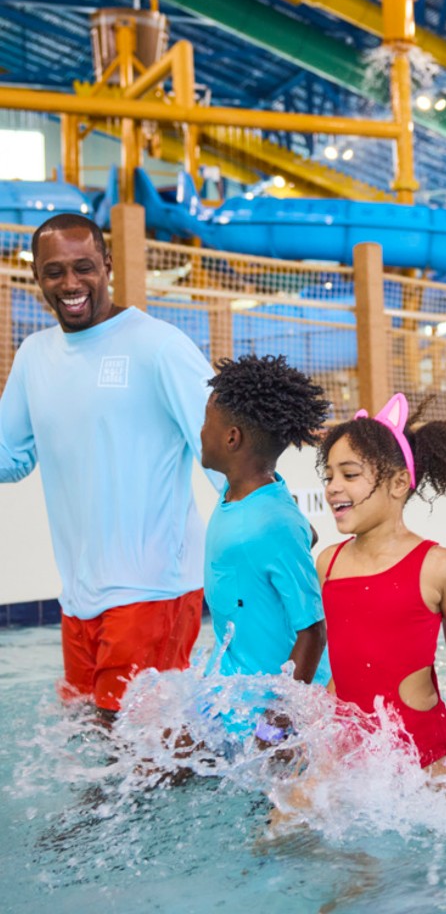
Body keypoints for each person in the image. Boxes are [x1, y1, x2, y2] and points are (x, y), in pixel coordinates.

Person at [0, 214, 214, 716]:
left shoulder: (157, 345)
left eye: (83, 268)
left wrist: (269, 525)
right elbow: (11, 459)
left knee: (134, 746)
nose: (70, 284)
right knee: (91, 736)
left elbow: (226, 447)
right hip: (77, 597)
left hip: (154, 586)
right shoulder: (34, 355)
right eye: (55, 272)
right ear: (38, 279)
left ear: (107, 266)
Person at [317, 392, 446, 776]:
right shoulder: (329, 562)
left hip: (423, 745)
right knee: (282, 831)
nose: (334, 486)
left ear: (400, 483)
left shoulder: (438, 566)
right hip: (344, 743)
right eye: (329, 475)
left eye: (349, 475)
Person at [200, 354, 328, 711]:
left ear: (231, 438)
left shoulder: (271, 522)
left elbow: (314, 631)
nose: (200, 431)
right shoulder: (244, 493)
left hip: (263, 701)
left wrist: (278, 723)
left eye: (206, 422)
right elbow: (308, 534)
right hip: (228, 680)